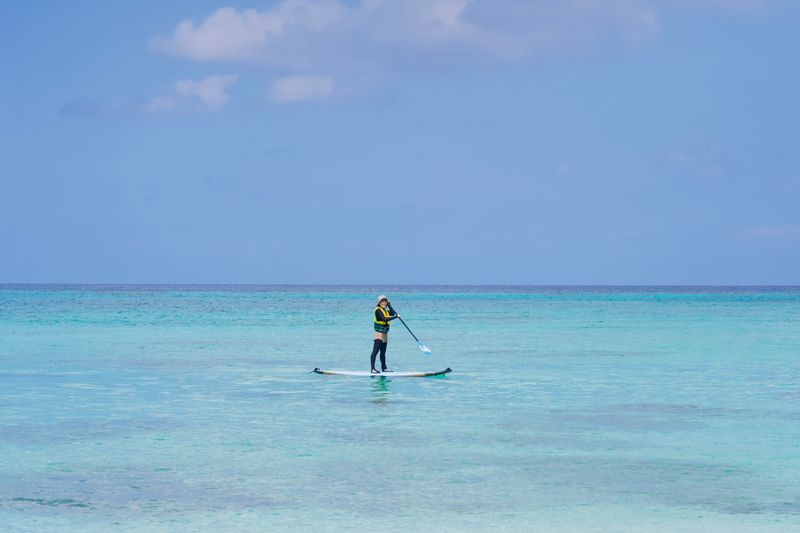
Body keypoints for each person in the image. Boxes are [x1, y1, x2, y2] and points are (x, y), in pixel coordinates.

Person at [370, 295, 399, 373]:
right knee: (375, 351)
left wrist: (389, 305)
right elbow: (384, 319)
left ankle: (384, 368)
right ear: (379, 302)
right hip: (379, 333)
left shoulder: (385, 310)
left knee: (383, 352)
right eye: (382, 301)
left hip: (385, 333)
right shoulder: (378, 310)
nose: (384, 302)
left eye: (385, 301)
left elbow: (392, 313)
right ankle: (372, 369)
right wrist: (395, 317)